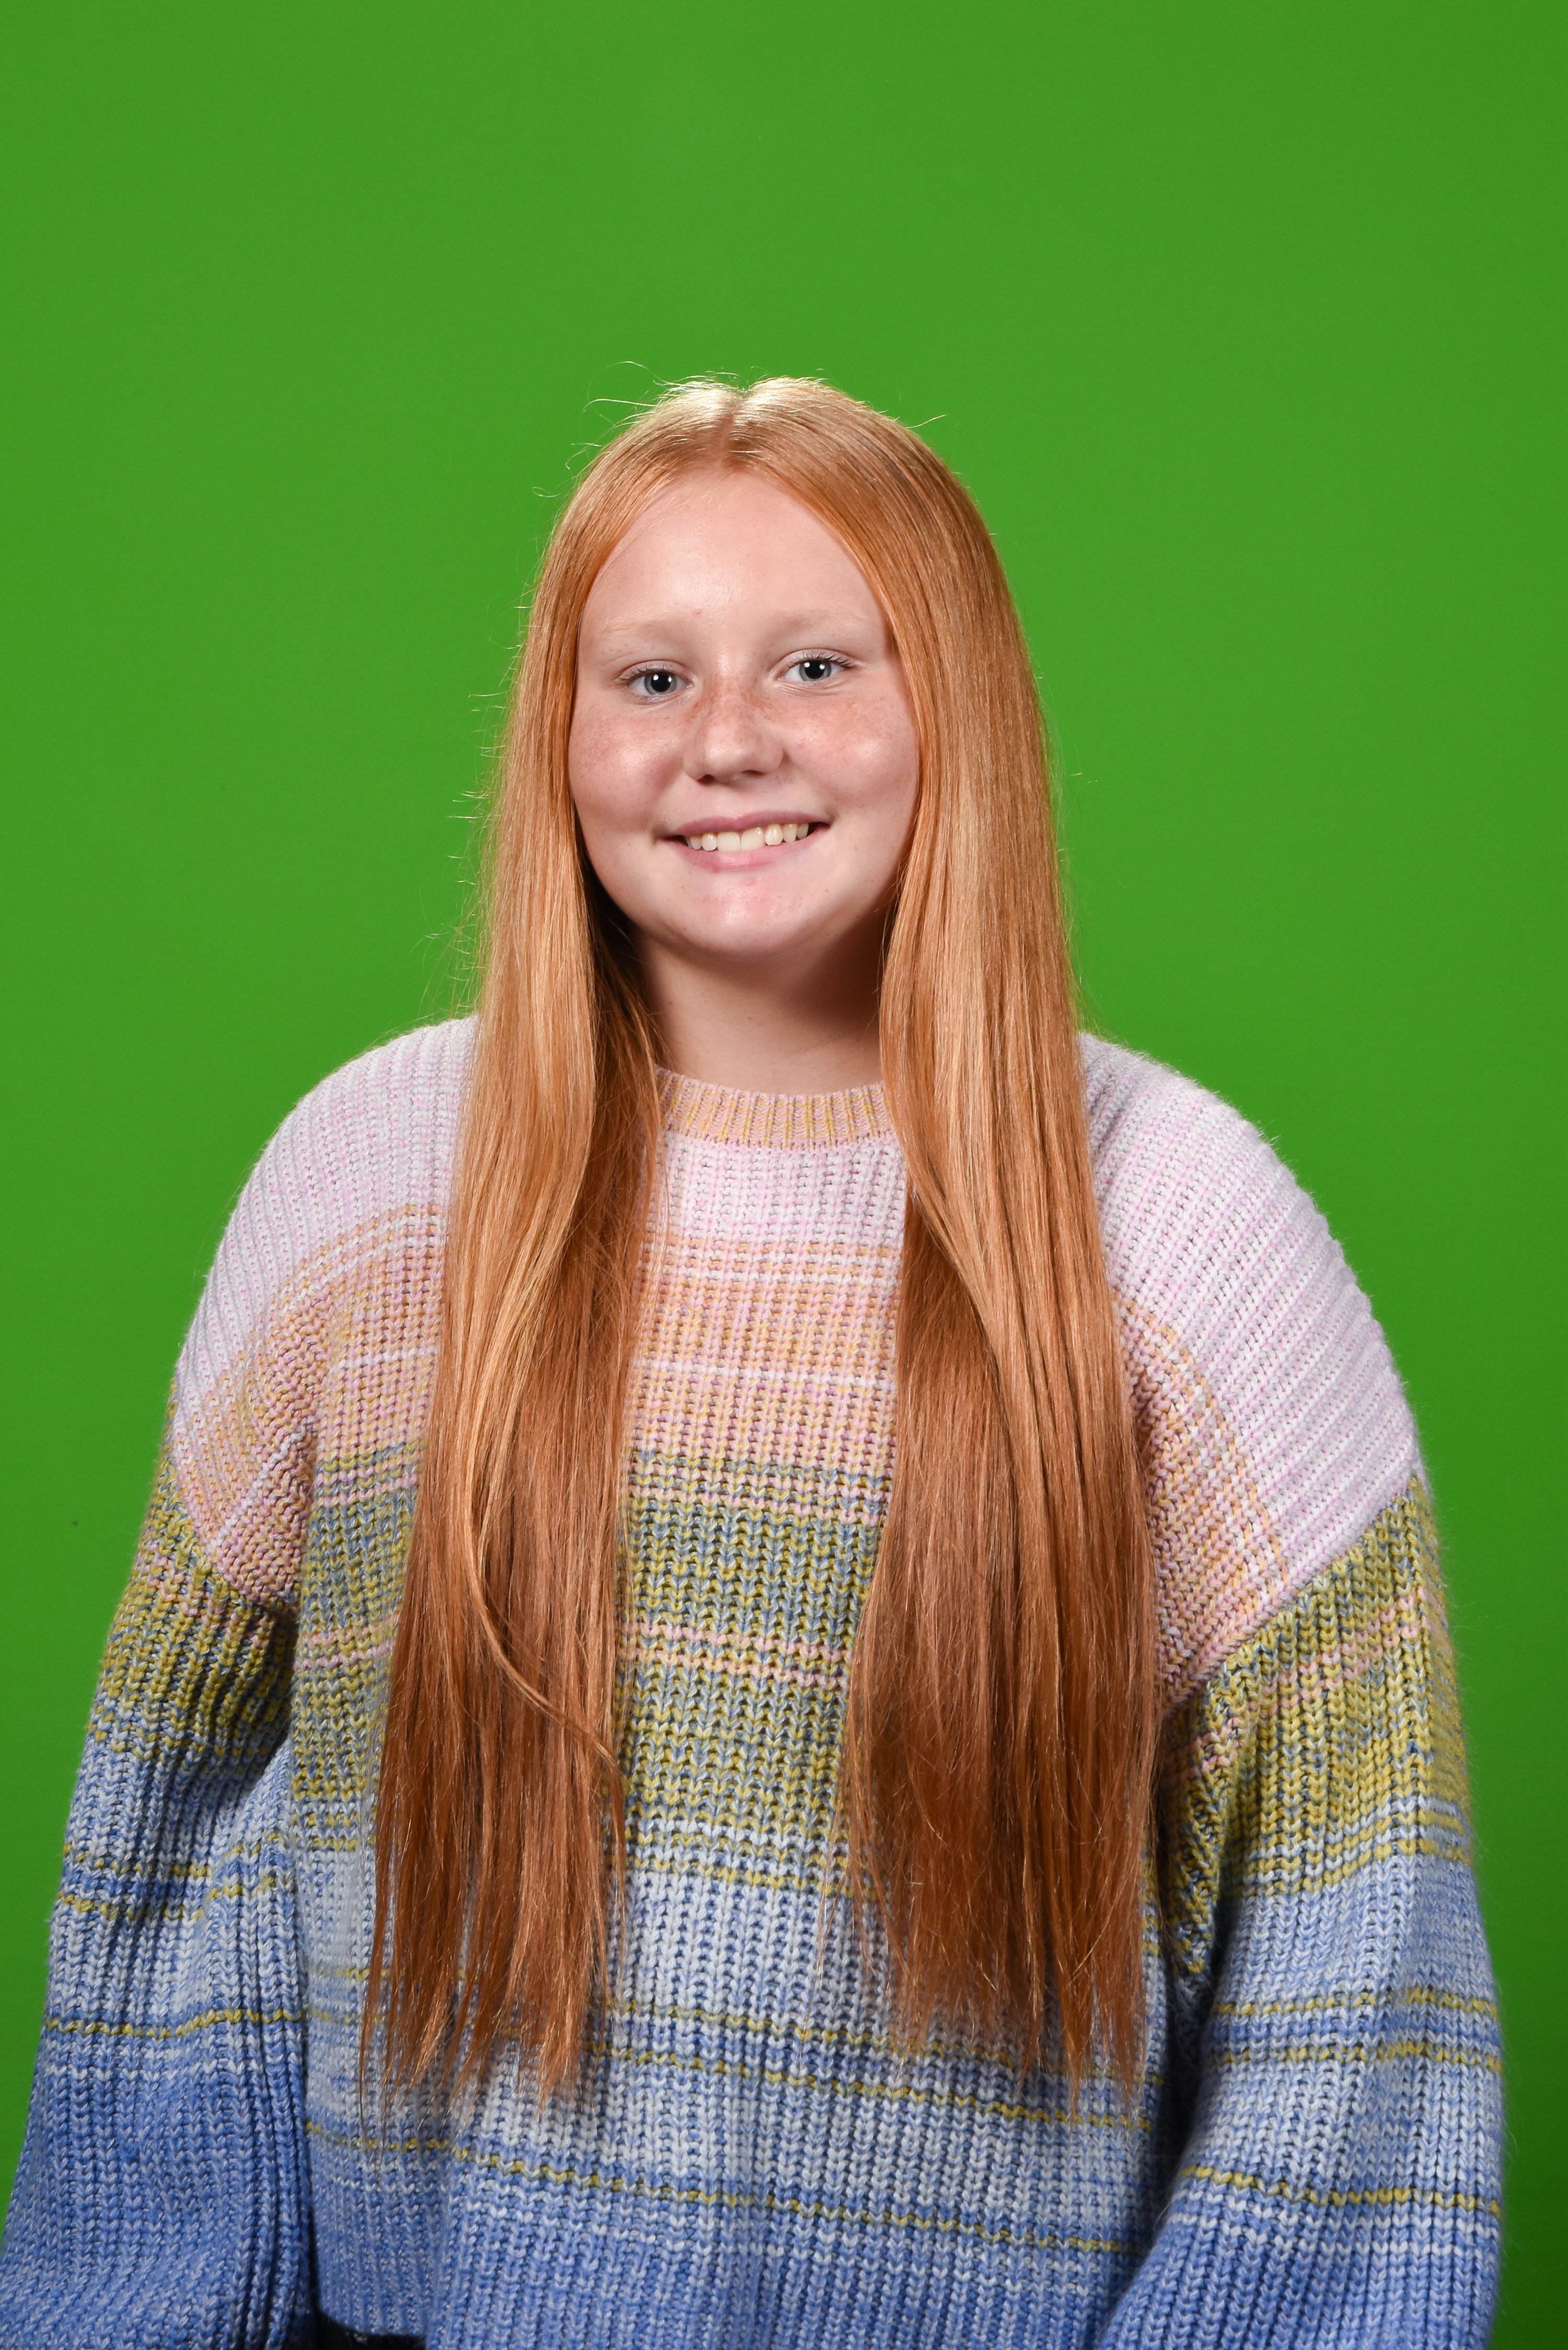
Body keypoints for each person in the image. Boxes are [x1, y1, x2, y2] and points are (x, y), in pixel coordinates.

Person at [0, 379, 1501, 2348]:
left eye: (815, 663)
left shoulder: (1187, 1234)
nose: (728, 739)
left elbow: (1357, 2003)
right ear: (557, 738)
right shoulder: (363, 1193)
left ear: (956, 707)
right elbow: (175, 1863)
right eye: (651, 678)